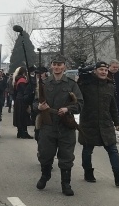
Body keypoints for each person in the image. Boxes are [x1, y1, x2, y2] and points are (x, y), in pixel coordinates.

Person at [77, 62, 119, 187]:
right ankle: (88, 171)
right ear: (95, 71)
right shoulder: (86, 85)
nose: (103, 72)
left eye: (105, 70)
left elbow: (113, 106)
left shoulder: (109, 86)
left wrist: (117, 122)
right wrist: (82, 77)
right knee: (87, 149)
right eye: (101, 69)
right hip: (89, 123)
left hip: (105, 123)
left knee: (112, 149)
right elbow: (77, 96)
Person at [35, 55, 83, 196]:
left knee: (66, 156)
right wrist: (39, 106)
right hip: (48, 124)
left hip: (65, 125)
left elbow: (80, 104)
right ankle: (45, 175)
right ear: (51, 66)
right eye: (54, 64)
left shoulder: (71, 84)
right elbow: (34, 102)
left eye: (60, 64)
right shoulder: (44, 83)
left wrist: (68, 109)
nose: (57, 67)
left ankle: (65, 183)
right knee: (45, 154)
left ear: (64, 67)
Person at [12, 67, 33, 139]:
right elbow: (25, 91)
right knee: (24, 116)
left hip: (18, 99)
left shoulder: (16, 80)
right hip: (22, 100)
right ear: (24, 73)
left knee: (19, 116)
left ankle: (19, 132)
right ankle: (24, 133)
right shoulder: (23, 80)